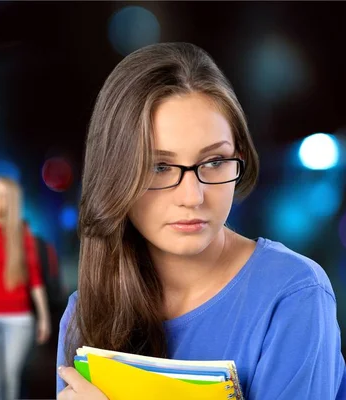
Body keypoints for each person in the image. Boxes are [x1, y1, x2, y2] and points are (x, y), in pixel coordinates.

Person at [56, 42, 346, 400]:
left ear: (239, 157)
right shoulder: (85, 314)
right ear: (115, 174)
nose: (192, 196)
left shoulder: (294, 295)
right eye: (159, 167)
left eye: (214, 162)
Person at [0, 177, 52, 400]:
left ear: (10, 202)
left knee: (9, 379)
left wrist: (44, 317)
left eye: (1, 194)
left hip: (18, 321)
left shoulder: (20, 231)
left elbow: (35, 278)